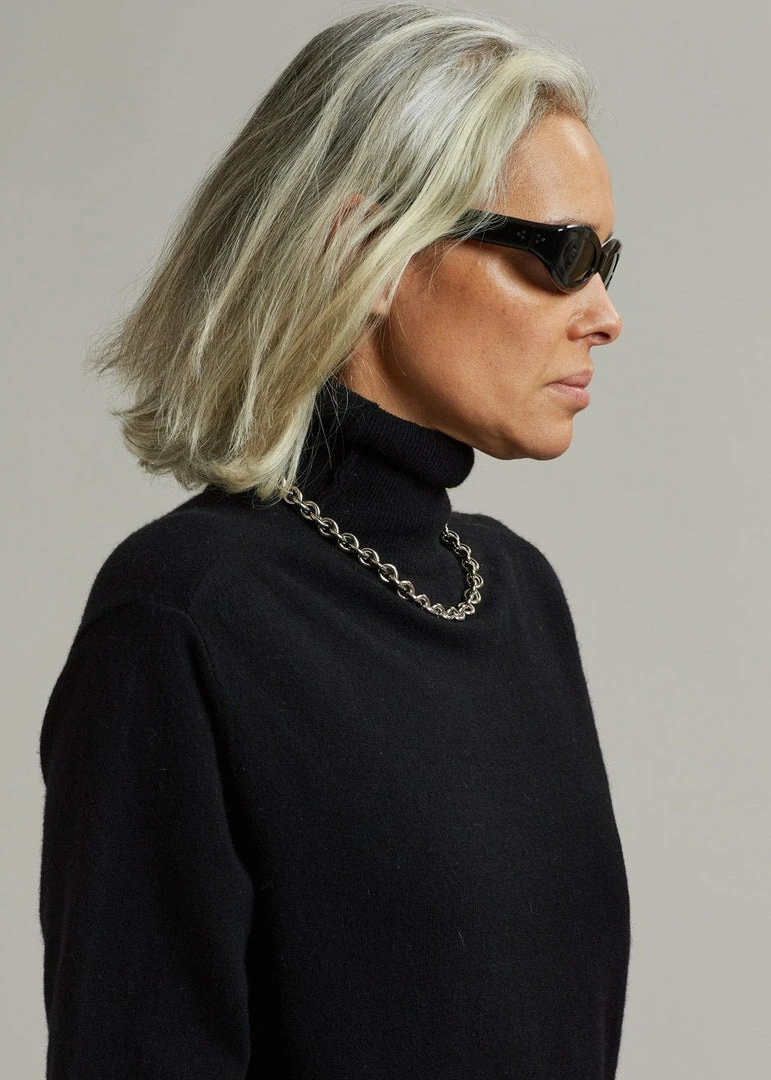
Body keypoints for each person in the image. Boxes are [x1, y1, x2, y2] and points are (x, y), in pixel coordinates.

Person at [38, 3, 630, 1077]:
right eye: (561, 256)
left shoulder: (515, 592)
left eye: (608, 262)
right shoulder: (184, 615)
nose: (602, 313)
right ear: (366, 248)